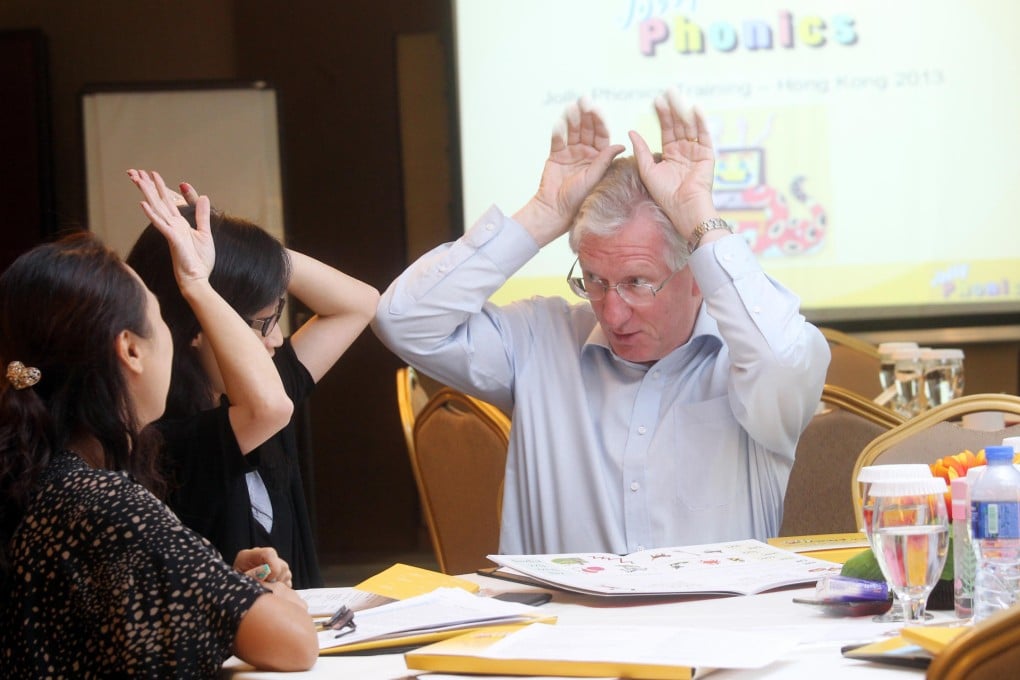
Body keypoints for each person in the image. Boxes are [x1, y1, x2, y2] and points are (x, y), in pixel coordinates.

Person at [373, 90, 831, 555]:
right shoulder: (539, 340)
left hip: (720, 625)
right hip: (567, 625)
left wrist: (699, 216)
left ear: (696, 276)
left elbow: (784, 360)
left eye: (637, 283)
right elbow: (404, 321)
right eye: (594, 280)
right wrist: (542, 214)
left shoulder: (747, 362)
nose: (611, 313)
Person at [0, 181, 317, 675]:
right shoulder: (104, 502)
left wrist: (216, 582)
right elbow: (295, 644)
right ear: (130, 349)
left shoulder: (43, 478)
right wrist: (273, 597)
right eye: (161, 317)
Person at [126, 170, 379, 589]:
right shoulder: (165, 436)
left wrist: (227, 244)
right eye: (262, 324)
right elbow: (270, 409)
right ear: (198, 327)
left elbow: (359, 303)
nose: (276, 339)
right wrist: (200, 278)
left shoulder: (252, 390)